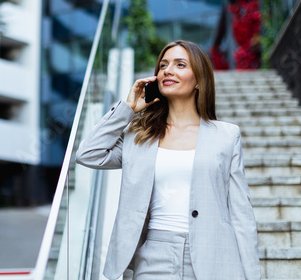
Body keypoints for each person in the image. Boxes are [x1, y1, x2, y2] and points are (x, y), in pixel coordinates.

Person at [76, 40, 261, 280]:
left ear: (199, 80)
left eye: (180, 64)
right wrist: (128, 108)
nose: (168, 70)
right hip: (154, 255)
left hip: (214, 254)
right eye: (163, 65)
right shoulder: (139, 136)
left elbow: (241, 213)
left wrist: (252, 275)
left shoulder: (226, 135)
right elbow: (88, 153)